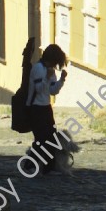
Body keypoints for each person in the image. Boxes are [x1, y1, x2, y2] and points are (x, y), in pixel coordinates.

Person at [27, 44, 70, 175]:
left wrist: (61, 80)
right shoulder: (38, 69)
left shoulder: (49, 70)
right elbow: (39, 89)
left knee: (51, 138)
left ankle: (48, 167)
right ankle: (30, 165)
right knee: (41, 139)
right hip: (35, 108)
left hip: (46, 108)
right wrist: (46, 77)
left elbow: (52, 91)